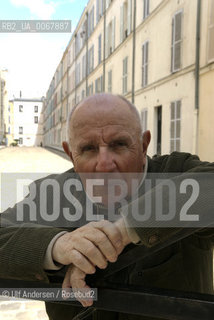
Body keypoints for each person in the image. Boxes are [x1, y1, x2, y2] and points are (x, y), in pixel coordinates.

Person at [0, 93, 214, 320]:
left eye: (119, 144)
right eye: (89, 148)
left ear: (143, 145)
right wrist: (58, 246)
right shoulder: (52, 193)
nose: (104, 164)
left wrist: (125, 229)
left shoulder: (176, 172)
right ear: (71, 155)